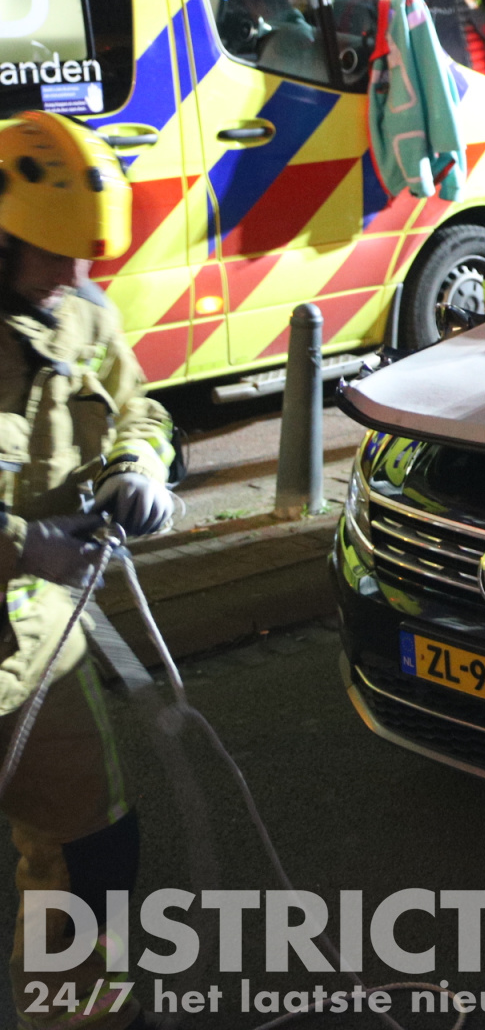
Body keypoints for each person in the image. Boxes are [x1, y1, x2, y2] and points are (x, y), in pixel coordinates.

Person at [0, 112, 176, 1030]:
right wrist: (21, 547)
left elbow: (137, 405)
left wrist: (138, 466)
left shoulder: (79, 307)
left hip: (34, 645)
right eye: (54, 258)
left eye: (87, 261)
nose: (76, 280)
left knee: (91, 850)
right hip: (25, 586)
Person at [239, 0, 328, 84]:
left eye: (249, 5)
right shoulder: (299, 29)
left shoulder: (280, 38)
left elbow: (273, 81)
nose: (249, 12)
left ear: (261, 5)